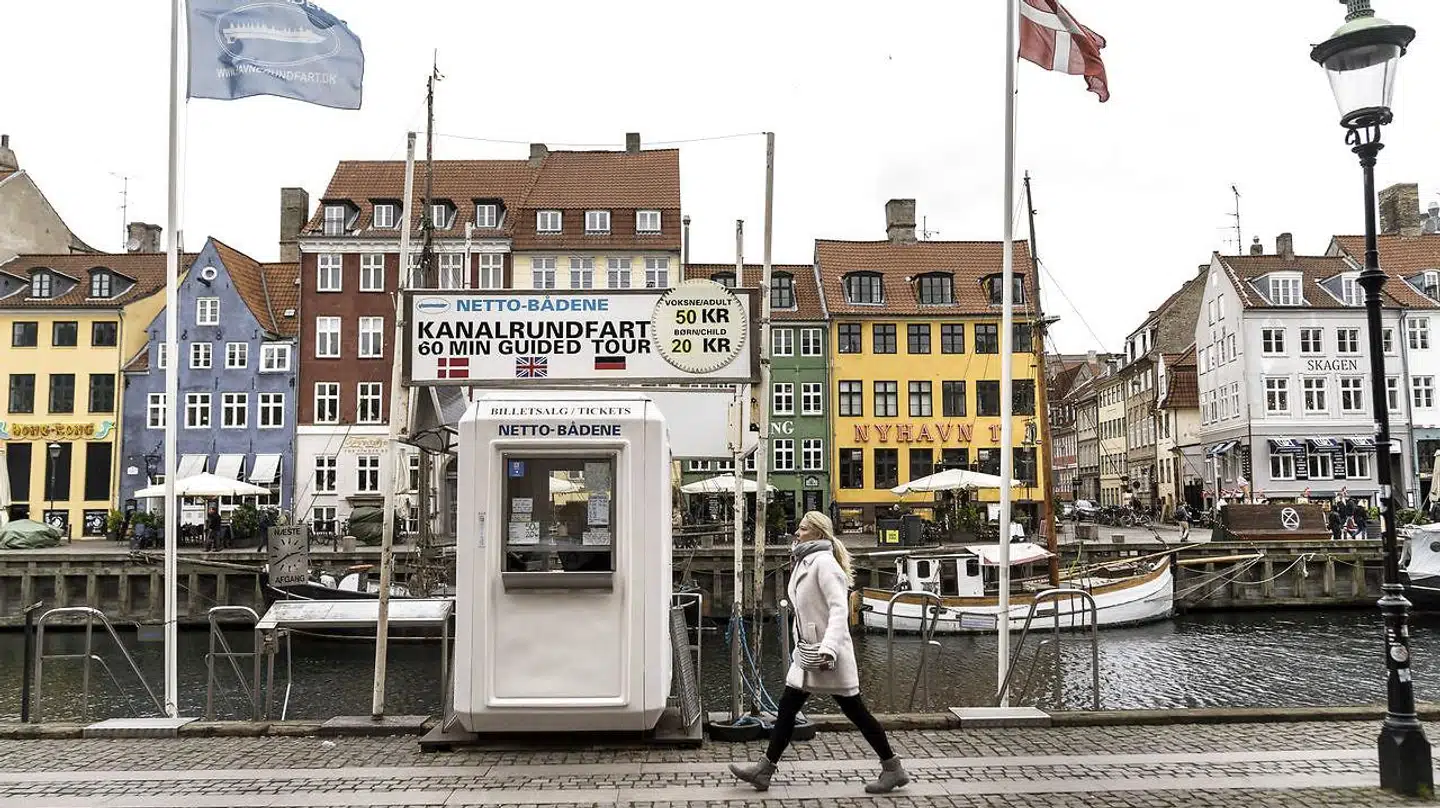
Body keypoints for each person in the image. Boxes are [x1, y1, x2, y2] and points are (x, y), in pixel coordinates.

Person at [729, 511, 908, 794]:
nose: (796, 533)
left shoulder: (825, 565)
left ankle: (893, 767)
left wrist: (828, 647)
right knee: (787, 709)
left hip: (827, 655)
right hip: (808, 653)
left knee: (856, 712)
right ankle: (764, 770)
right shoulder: (805, 561)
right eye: (798, 528)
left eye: (802, 529)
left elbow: (839, 610)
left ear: (818, 534)